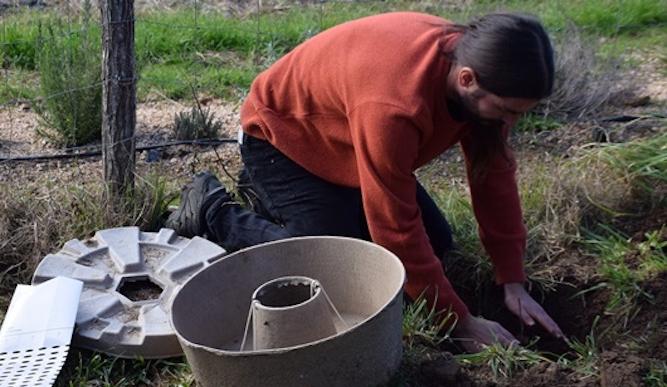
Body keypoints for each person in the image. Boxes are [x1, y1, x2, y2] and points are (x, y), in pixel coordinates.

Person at [165, 11, 565, 353]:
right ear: (467, 79)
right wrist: (461, 323)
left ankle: (291, 203)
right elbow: (394, 227)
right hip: (282, 137)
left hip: (350, 144)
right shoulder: (396, 105)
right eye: (507, 111)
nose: (510, 123)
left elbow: (493, 178)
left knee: (438, 246)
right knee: (335, 271)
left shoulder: (478, 75)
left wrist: (512, 280)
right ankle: (211, 208)